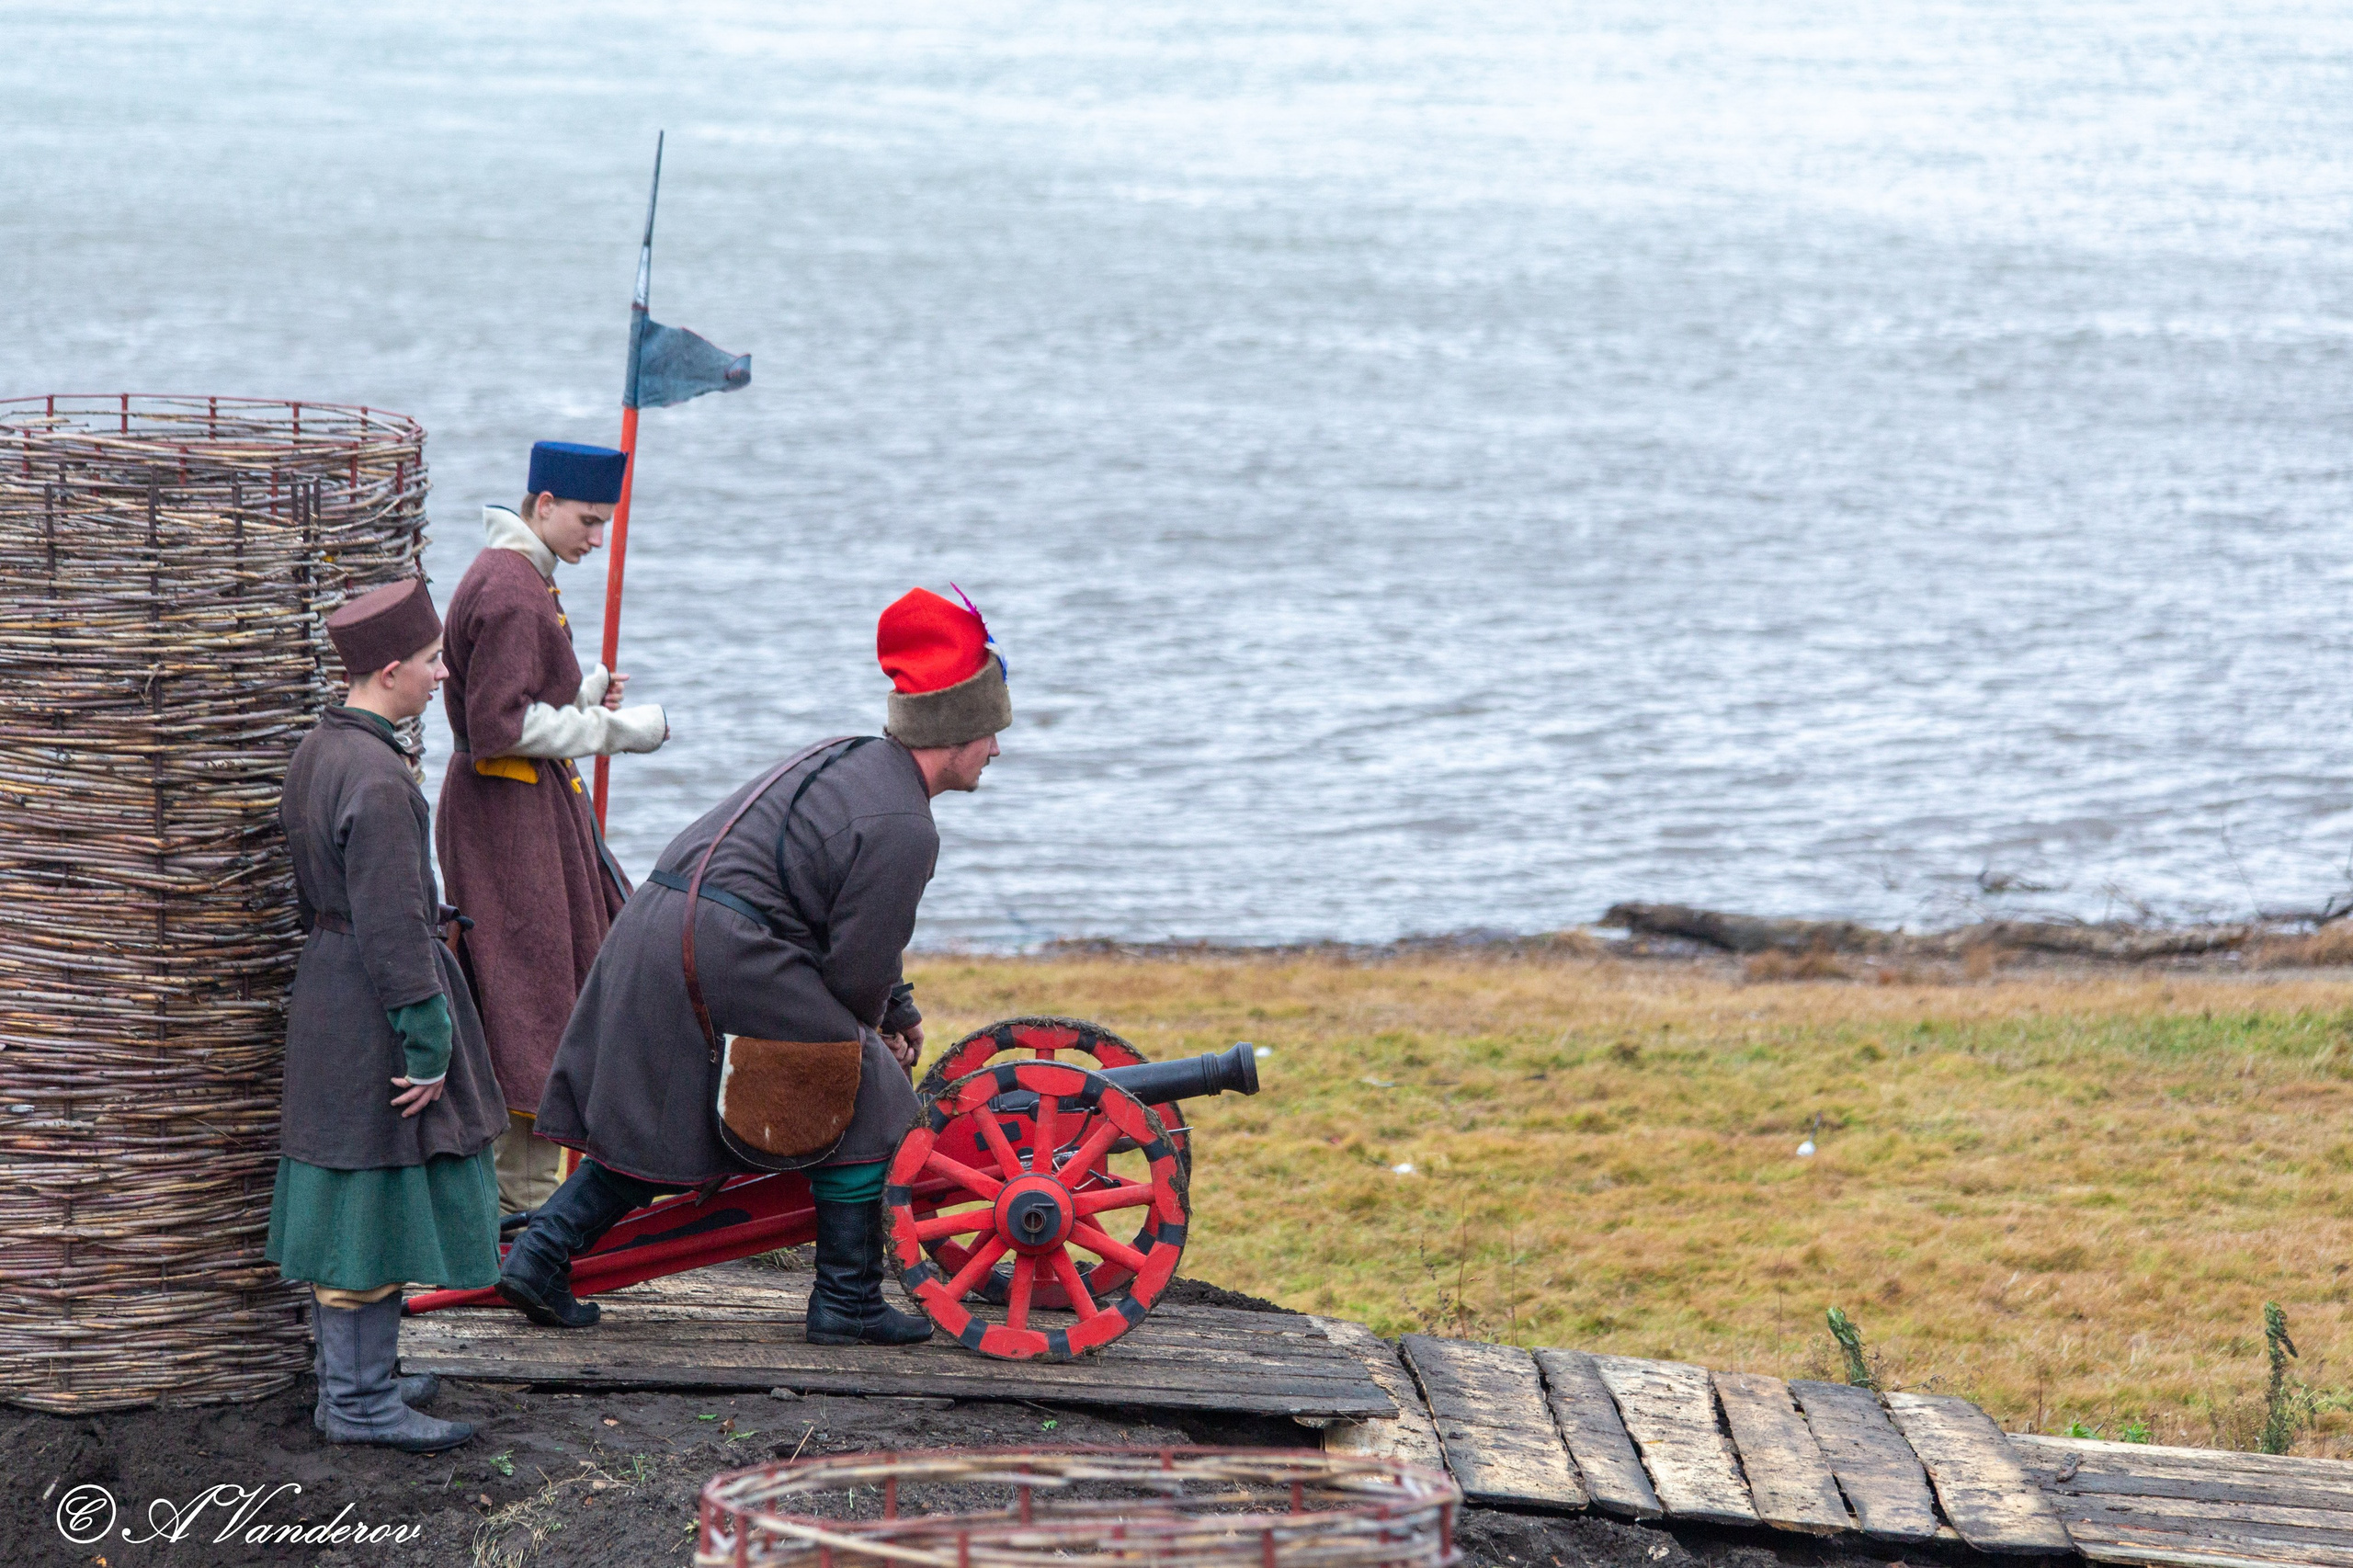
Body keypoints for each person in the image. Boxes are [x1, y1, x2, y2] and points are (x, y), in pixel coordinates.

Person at [501, 586, 1012, 1345]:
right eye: (992, 733)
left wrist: (894, 1011)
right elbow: (856, 971)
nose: (997, 750)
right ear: (957, 732)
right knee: (867, 1091)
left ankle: (540, 1254)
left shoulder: (856, 761)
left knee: (665, 1111)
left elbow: (855, 929)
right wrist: (878, 1032)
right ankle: (846, 1301)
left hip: (665, 925)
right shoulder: (905, 825)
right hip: (722, 944)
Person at [268, 577, 507, 1453]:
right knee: (365, 1202)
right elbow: (395, 926)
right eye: (436, 660)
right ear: (390, 668)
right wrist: (430, 1035)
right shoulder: (375, 779)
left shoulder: (320, 750)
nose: (445, 673)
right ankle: (360, 1404)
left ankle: (358, 1384)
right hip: (372, 1008)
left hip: (331, 989)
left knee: (358, 1193)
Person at [437, 441, 668, 1214]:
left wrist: (587, 691)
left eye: (605, 525)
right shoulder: (510, 590)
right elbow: (498, 725)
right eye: (587, 521)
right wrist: (619, 731)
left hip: (527, 810)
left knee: (553, 977)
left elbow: (519, 696)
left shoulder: (520, 577)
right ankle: (519, 1212)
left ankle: (525, 1201)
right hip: (505, 819)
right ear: (543, 505)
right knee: (526, 989)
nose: (596, 539)